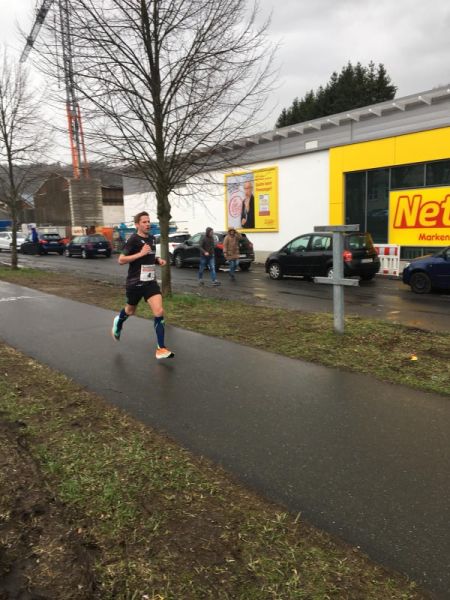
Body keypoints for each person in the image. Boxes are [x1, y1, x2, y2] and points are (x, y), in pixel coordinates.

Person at [111, 211, 174, 360]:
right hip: (134, 283)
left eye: (148, 221)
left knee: (159, 311)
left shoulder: (152, 238)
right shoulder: (132, 240)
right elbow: (121, 260)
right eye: (144, 222)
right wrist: (140, 253)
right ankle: (119, 321)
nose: (148, 224)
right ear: (137, 225)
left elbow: (149, 256)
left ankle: (161, 348)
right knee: (130, 311)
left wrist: (158, 260)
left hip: (150, 282)